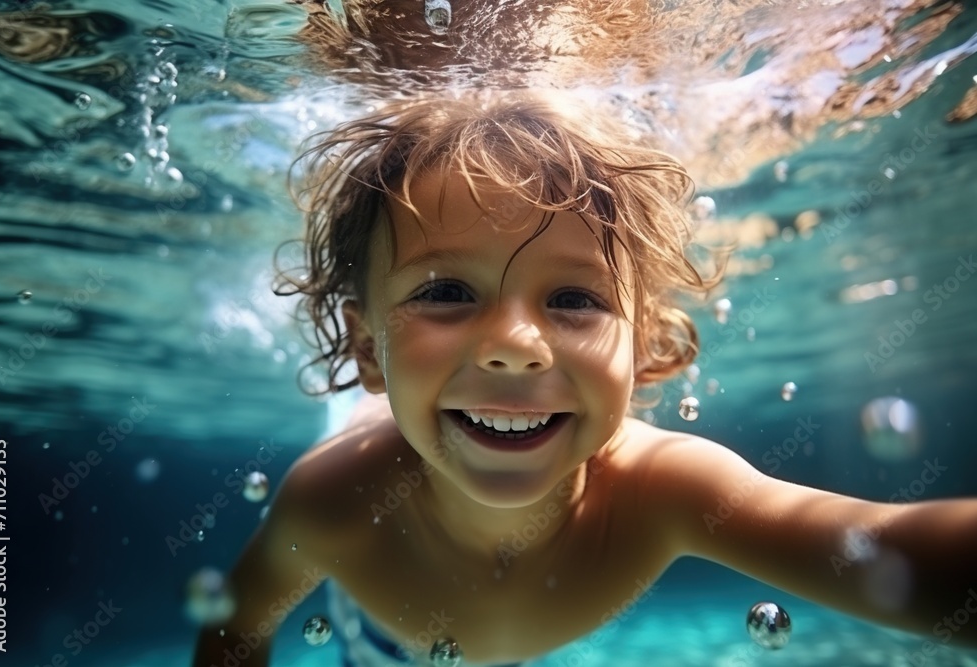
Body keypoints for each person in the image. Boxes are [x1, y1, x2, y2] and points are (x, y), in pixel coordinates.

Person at [193, 91, 977, 667]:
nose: (515, 345)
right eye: (445, 291)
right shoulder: (332, 501)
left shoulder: (666, 490)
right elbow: (234, 634)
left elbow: (882, 547)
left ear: (644, 347)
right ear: (367, 349)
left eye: (574, 298)